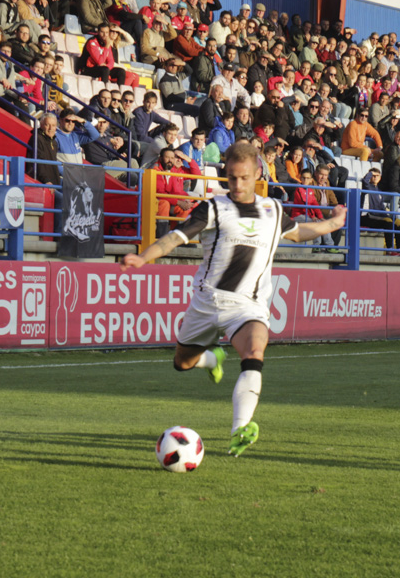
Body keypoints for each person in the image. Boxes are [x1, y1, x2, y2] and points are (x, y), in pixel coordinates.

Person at [120, 142, 346, 457]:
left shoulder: (273, 210)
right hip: (207, 303)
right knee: (181, 363)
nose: (237, 185)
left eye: (243, 178)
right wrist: (144, 258)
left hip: (248, 306)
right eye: (231, 178)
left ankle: (240, 429)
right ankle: (212, 359)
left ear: (257, 174)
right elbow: (175, 237)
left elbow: (299, 231)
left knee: (255, 351)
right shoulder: (213, 208)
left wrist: (333, 224)